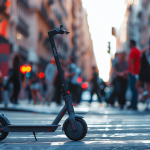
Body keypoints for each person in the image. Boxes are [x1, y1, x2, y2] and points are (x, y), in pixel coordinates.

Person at [128, 40, 141, 110]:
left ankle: (134, 104)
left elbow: (132, 62)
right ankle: (133, 103)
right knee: (134, 89)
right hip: (136, 72)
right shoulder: (137, 51)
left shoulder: (133, 51)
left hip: (133, 73)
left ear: (131, 44)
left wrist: (132, 72)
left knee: (133, 88)